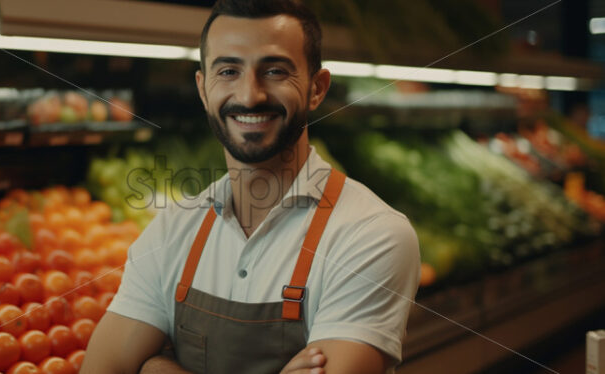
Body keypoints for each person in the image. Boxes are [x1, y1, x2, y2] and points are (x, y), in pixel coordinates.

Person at [81, 0, 420, 373]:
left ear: (317, 88)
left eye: (274, 71)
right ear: (203, 89)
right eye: (228, 71)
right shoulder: (171, 229)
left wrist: (158, 369)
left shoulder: (371, 235)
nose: (249, 95)